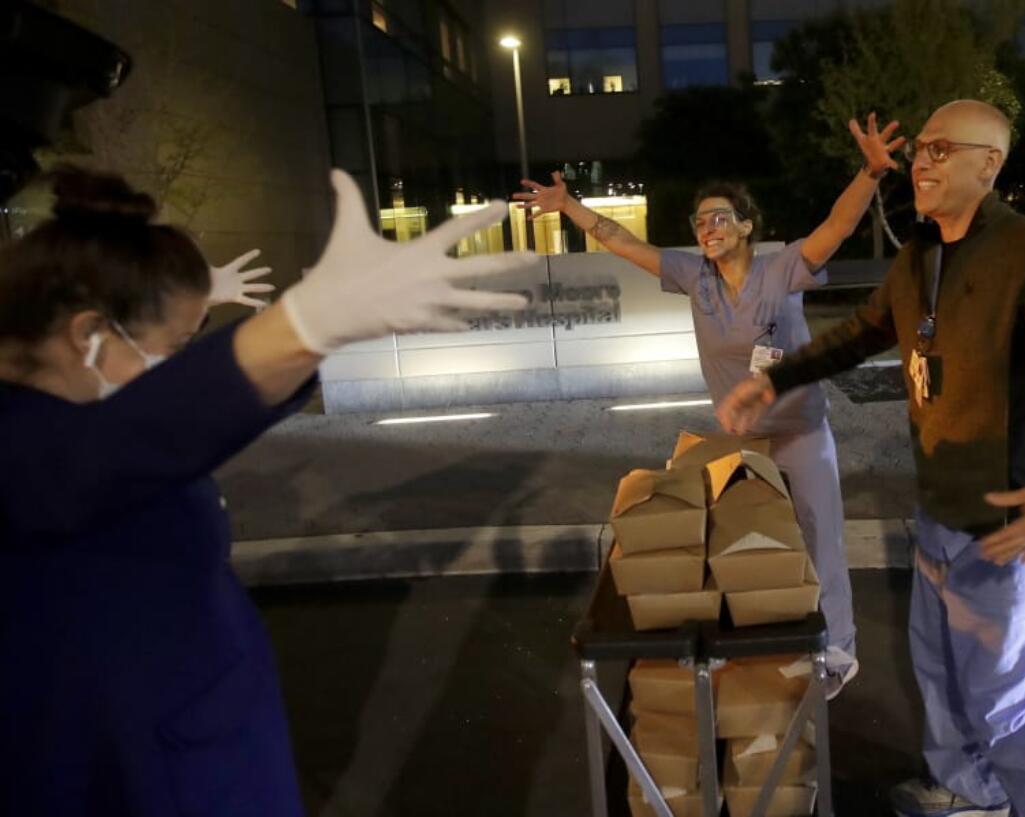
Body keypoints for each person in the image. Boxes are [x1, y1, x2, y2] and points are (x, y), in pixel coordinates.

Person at [0, 166, 530, 816]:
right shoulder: (33, 450)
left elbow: (159, 419)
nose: (176, 366)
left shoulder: (84, 419)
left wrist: (276, 332)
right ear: (86, 335)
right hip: (152, 782)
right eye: (176, 347)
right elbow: (134, 440)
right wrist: (303, 323)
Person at [716, 100, 1025, 817]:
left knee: (1011, 707)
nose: (922, 161)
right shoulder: (920, 255)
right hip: (937, 514)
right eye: (922, 149)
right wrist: (774, 378)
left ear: (989, 165)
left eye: (941, 148)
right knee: (938, 675)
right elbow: (860, 334)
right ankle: (968, 793)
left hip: (1007, 527)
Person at [517, 115, 905, 697]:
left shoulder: (780, 269)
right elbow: (622, 243)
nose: (708, 227)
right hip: (742, 441)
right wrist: (569, 206)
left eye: (721, 217)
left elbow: (837, 227)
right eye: (700, 220)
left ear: (746, 226)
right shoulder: (693, 277)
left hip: (799, 432)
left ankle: (839, 651)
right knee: (745, 543)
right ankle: (765, 638)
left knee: (819, 539)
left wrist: (871, 172)